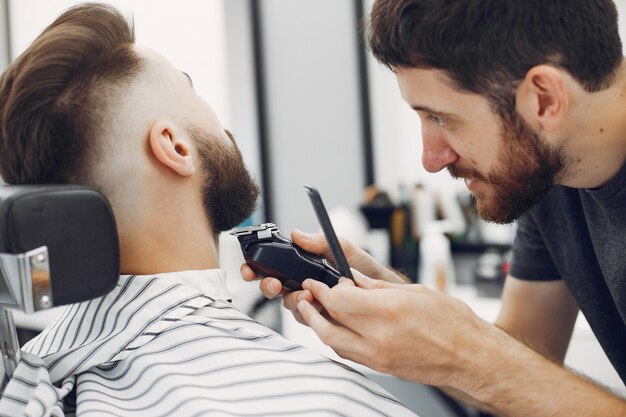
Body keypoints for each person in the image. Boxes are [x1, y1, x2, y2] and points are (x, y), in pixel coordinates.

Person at [0, 4, 417, 416]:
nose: (219, 120)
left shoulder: (31, 376)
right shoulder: (323, 402)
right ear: (175, 147)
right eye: (192, 91)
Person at [243, 0, 626, 416]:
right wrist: (395, 303)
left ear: (545, 100)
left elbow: (494, 365)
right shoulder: (546, 176)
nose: (431, 158)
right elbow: (521, 370)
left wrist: (464, 351)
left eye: (441, 118)